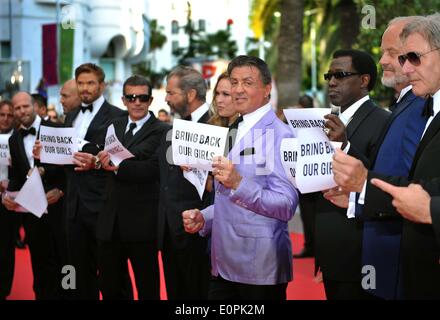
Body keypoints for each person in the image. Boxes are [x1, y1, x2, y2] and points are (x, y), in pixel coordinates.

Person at [332, 15, 440, 299]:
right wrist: (358, 186)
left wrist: (363, 186)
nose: (397, 63)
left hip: (401, 258)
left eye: (409, 56)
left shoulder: (419, 104)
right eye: (398, 55)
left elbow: (415, 183)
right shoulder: (414, 103)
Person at [182, 55, 298, 300]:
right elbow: (229, 199)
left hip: (259, 267)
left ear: (267, 89)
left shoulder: (282, 135)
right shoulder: (234, 128)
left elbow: (286, 205)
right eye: (234, 82)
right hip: (223, 264)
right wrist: (205, 217)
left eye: (247, 82)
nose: (237, 90)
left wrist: (238, 183)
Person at [315, 49, 390, 300]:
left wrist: (346, 146)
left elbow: (381, 179)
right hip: (330, 249)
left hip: (359, 252)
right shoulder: (325, 121)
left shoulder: (383, 120)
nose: (332, 82)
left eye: (341, 75)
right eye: (329, 76)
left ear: (364, 80)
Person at [96, 75, 169, 300]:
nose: (137, 102)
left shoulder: (162, 130)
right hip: (110, 223)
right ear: (124, 100)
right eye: (131, 97)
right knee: (110, 287)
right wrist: (99, 158)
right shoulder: (114, 126)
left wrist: (115, 165)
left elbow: (152, 168)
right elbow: (102, 152)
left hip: (142, 226)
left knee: (147, 289)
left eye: (142, 97)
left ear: (150, 100)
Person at [63, 63, 128, 299]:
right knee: (80, 272)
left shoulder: (118, 117)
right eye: (80, 83)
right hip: (74, 205)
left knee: (112, 273)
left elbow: (119, 157)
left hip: (103, 204)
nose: (84, 88)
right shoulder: (70, 115)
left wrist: (96, 158)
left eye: (90, 83)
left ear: (102, 85)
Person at [3, 92, 65, 299]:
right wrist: (8, 194)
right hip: (32, 214)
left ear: (35, 106)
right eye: (17, 108)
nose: (22, 111)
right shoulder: (13, 139)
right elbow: (18, 176)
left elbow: (69, 170)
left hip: (60, 211)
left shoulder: (56, 129)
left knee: (67, 264)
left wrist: (61, 190)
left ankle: (70, 295)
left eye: (25, 106)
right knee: (39, 264)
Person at [157, 66, 212, 299]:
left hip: (198, 231)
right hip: (169, 230)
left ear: (190, 94)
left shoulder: (217, 126)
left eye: (171, 93)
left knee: (198, 295)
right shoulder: (172, 128)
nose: (166, 99)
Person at [293, 94, 318, 259]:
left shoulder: (316, 123)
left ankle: (313, 247)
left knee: (311, 216)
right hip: (303, 175)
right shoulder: (297, 124)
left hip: (312, 177)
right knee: (307, 215)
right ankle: (310, 246)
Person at [0, 100, 16, 300]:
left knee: (5, 248)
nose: (5, 119)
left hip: (10, 201)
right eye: (2, 114)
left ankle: (3, 290)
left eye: (9, 115)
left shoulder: (18, 139)